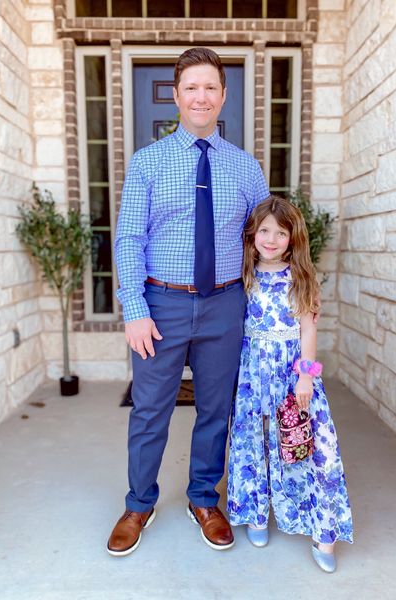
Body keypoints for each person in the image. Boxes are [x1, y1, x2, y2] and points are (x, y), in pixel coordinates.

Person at [107, 47, 269, 556]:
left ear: (224, 96)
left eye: (211, 88)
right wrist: (134, 309)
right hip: (161, 305)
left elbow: (263, 239)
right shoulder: (149, 162)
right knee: (151, 409)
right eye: (191, 88)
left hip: (226, 305)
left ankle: (204, 497)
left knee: (215, 410)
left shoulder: (246, 168)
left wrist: (274, 305)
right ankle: (139, 503)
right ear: (176, 96)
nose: (201, 97)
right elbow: (129, 237)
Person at [227, 196, 353, 572]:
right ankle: (256, 512)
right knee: (255, 438)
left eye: (280, 233)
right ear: (252, 234)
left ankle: (323, 530)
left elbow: (308, 328)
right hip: (253, 372)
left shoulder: (299, 277)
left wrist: (305, 376)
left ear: (292, 238)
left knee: (310, 443)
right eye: (264, 231)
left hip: (291, 372)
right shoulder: (244, 273)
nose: (271, 239)